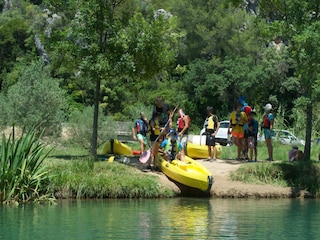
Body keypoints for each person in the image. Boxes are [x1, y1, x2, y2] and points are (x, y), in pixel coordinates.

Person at [150, 96, 172, 169]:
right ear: (156, 102)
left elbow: (170, 113)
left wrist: (170, 121)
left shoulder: (166, 106)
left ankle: (166, 153)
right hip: (159, 125)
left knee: (166, 137)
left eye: (160, 102)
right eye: (158, 102)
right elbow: (153, 120)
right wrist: (154, 127)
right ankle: (157, 154)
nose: (159, 104)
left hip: (166, 123)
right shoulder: (155, 109)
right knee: (158, 140)